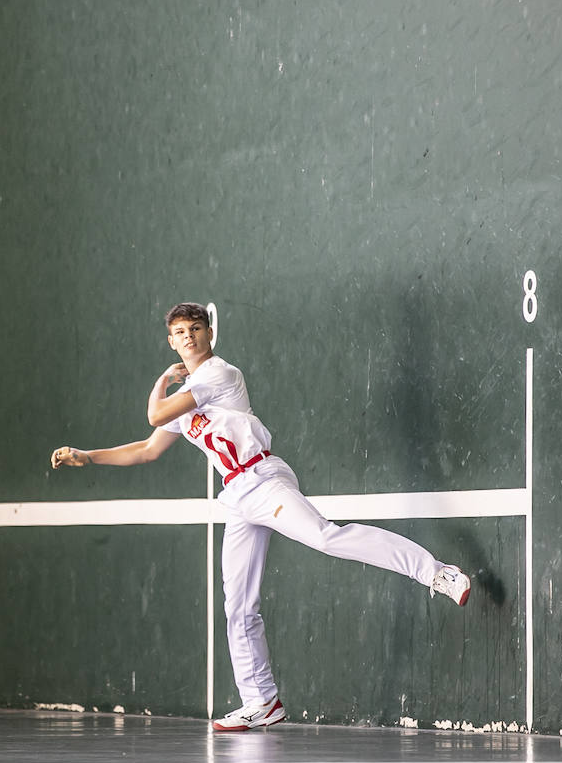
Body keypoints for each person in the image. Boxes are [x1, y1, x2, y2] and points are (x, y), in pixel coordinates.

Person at [50, 302, 471, 732]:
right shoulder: (187, 400)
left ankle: (436, 573)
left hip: (262, 479)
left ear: (210, 333)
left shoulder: (219, 374)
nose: (188, 337)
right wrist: (89, 457)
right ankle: (261, 701)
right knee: (238, 605)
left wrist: (161, 380)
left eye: (195, 328)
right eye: (179, 332)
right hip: (236, 496)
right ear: (171, 341)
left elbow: (155, 414)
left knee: (327, 538)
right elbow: (146, 448)